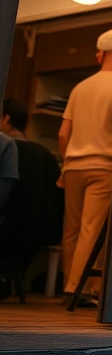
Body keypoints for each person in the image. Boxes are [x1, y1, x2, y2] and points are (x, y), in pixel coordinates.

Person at [59, 29, 112, 304]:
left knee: (72, 230)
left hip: (73, 165)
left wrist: (66, 162)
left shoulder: (80, 87)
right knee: (92, 228)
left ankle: (70, 283)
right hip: (102, 166)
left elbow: (63, 133)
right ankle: (80, 290)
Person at [0, 98, 62, 290]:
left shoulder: (6, 148)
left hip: (7, 227)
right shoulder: (44, 155)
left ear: (7, 118)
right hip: (38, 231)